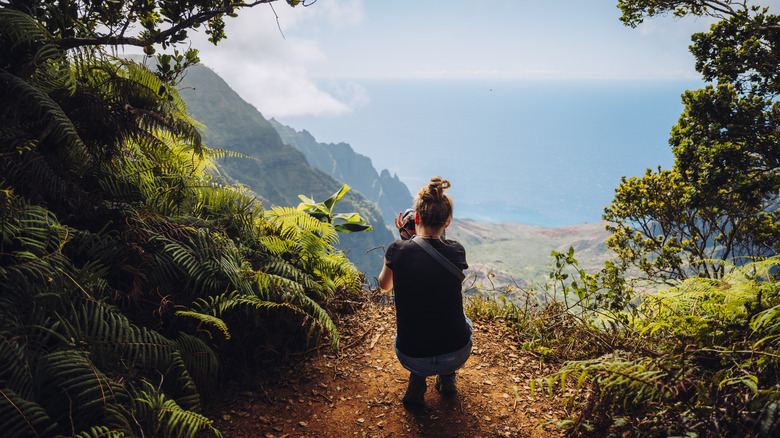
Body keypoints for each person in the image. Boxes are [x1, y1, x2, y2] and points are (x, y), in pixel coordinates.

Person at [378, 177, 472, 406]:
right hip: (457, 352)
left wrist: (404, 240)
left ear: (417, 218)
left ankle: (417, 382)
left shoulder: (397, 250)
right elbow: (437, 255)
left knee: (417, 329)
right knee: (465, 321)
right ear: (447, 222)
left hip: (412, 354)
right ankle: (447, 378)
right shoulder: (458, 251)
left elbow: (384, 286)